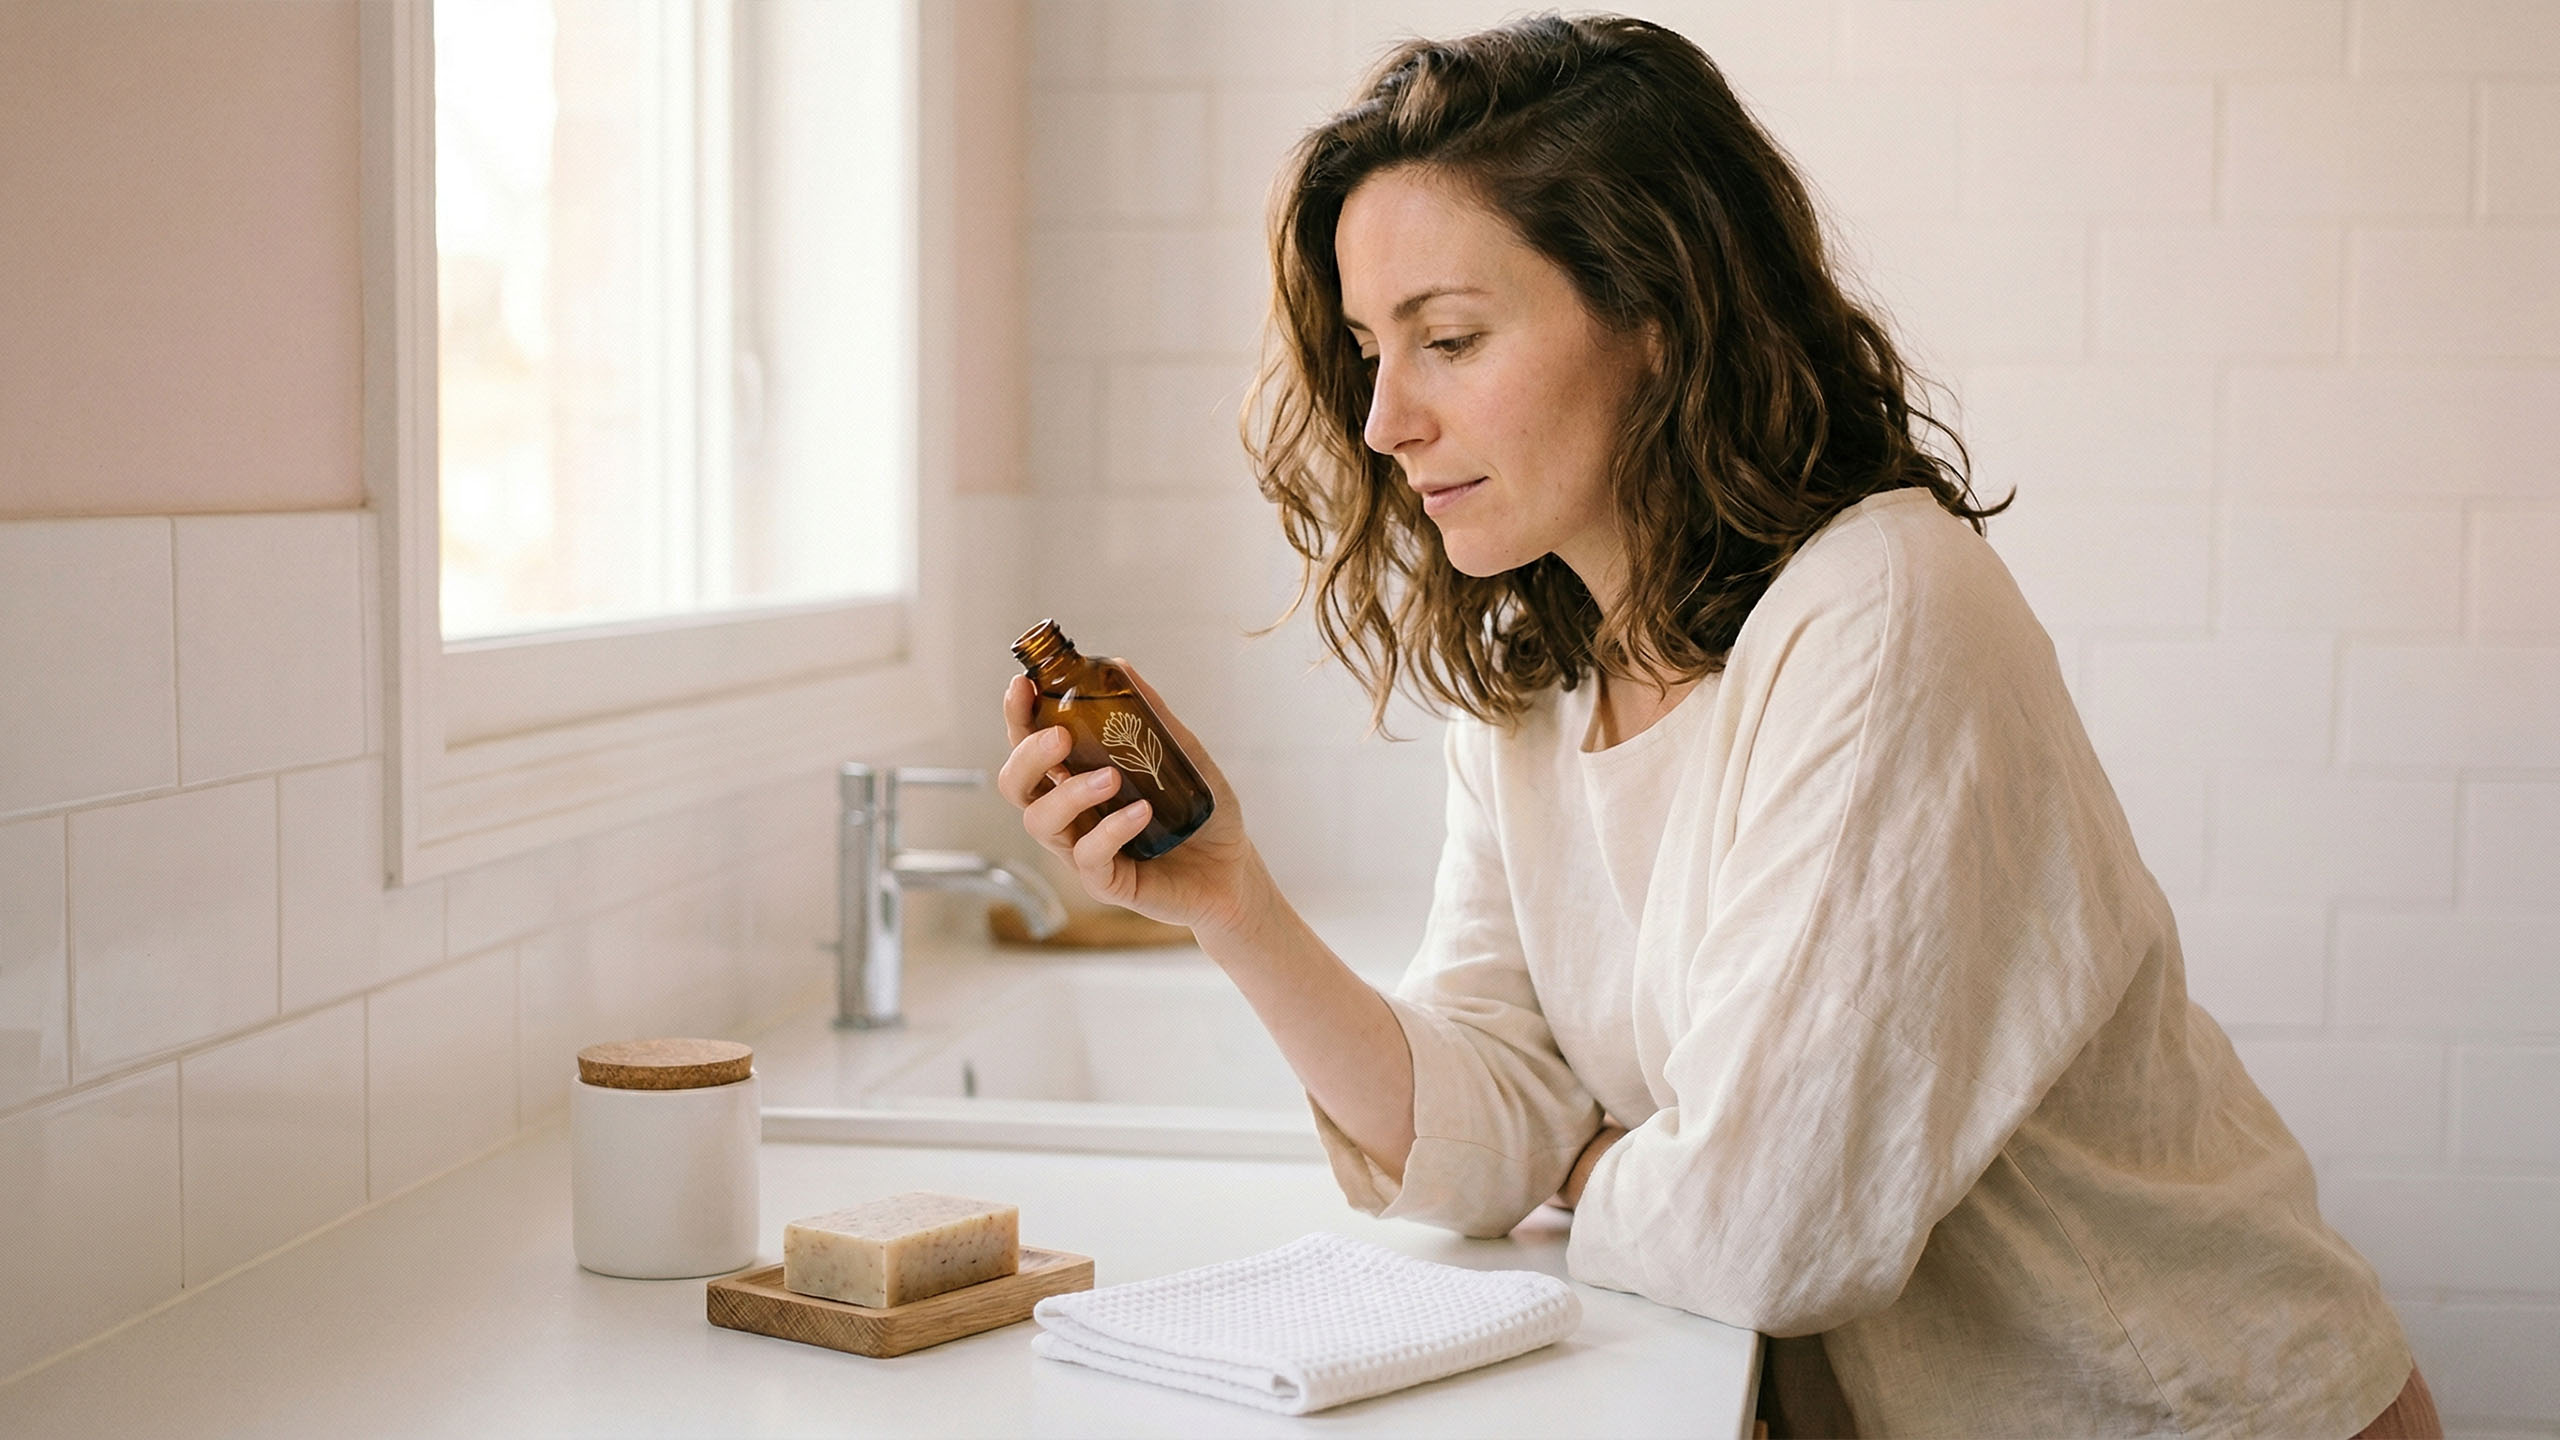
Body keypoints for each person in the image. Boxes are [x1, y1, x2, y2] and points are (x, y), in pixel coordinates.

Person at [997, 14, 2437, 1438]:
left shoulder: (1883, 607)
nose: (1384, 421)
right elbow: (1491, 1123)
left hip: (2186, 1413)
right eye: (1373, 347)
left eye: (1447, 339)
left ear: (1657, 319)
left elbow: (1768, 1235)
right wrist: (1233, 906)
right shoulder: (1541, 676)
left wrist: (1593, 1162)